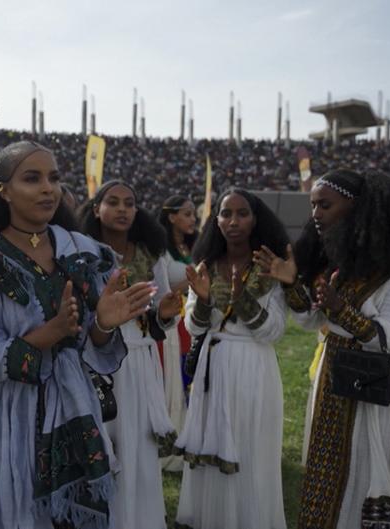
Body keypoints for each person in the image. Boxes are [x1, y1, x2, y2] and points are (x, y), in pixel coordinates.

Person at [0, 142, 156, 529]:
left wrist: (103, 323)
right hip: (8, 418)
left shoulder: (83, 251)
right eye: (32, 178)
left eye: (53, 178)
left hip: (75, 408)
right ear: (2, 189)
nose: (47, 188)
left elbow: (92, 348)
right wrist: (49, 333)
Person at [273, 169, 390, 529]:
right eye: (313, 205)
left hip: (378, 386)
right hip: (332, 375)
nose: (316, 213)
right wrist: (291, 284)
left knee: (369, 465)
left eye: (325, 204)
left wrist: (342, 311)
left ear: (356, 209)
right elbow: (309, 321)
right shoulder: (333, 263)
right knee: (328, 465)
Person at [173, 188, 290, 529]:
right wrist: (206, 300)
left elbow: (275, 331)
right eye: (226, 213)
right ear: (216, 219)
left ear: (256, 220)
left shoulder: (270, 268)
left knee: (250, 449)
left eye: (242, 213)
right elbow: (193, 326)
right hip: (212, 369)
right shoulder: (205, 266)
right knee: (209, 454)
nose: (233, 221)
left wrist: (244, 301)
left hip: (254, 368)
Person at [78, 180, 180, 529]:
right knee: (103, 445)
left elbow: (161, 318)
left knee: (137, 445)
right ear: (97, 209)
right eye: (114, 202)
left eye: (130, 203)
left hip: (139, 362)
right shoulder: (80, 253)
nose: (122, 209)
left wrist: (166, 313)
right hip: (94, 361)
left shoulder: (152, 255)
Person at [156, 194, 198, 472]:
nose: (193, 219)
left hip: (192, 319)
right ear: (171, 217)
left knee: (187, 380)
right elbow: (163, 287)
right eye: (187, 214)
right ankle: (168, 440)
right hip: (169, 322)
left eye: (194, 214)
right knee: (171, 379)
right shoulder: (160, 250)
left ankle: (186, 435)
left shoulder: (196, 246)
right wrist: (195, 279)